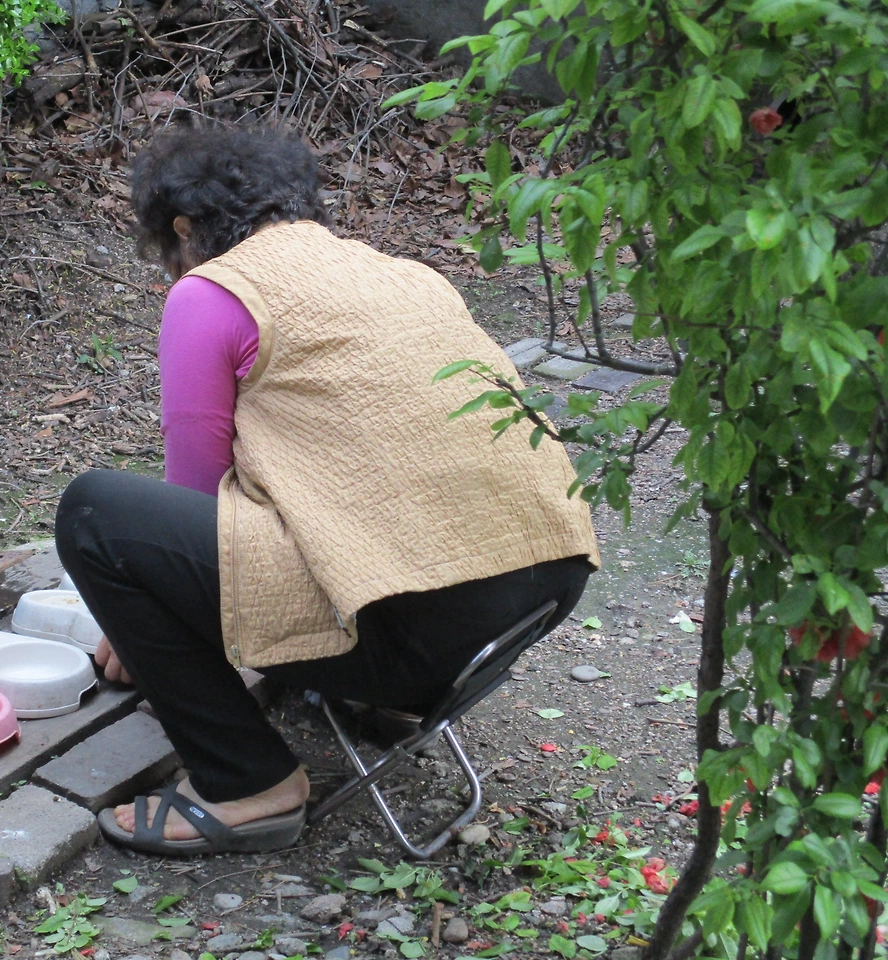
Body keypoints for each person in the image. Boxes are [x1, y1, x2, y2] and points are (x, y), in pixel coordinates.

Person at [54, 126, 599, 856]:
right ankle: (392, 708)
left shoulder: (210, 293)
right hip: (538, 596)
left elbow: (198, 494)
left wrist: (134, 625)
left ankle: (246, 780)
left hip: (411, 630)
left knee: (97, 514)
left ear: (182, 229)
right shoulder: (408, 275)